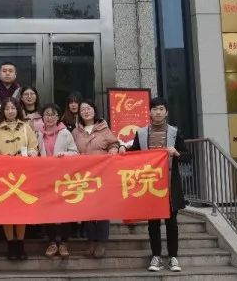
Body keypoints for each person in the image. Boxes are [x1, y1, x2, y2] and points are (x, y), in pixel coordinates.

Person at [121, 96, 189, 273]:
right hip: (150, 184)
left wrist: (176, 153)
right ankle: (156, 256)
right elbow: (133, 154)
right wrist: (122, 149)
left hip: (170, 184)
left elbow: (188, 156)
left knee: (171, 222)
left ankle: (173, 257)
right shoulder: (142, 133)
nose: (158, 112)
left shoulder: (174, 132)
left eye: (161, 109)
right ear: (149, 112)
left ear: (166, 112)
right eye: (154, 109)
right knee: (153, 223)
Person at [0, 97, 38, 260]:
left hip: (23, 174)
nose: (10, 111)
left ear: (18, 110)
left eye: (13, 108)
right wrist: (4, 160)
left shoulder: (25, 127)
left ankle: (21, 244)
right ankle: (10, 244)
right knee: (7, 210)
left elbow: (34, 147)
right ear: (3, 111)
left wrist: (31, 154)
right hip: (4, 175)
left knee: (21, 209)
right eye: (7, 108)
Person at [71, 99, 120, 259]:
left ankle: (101, 242)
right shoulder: (76, 132)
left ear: (94, 110)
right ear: (79, 113)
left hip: (101, 175)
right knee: (87, 210)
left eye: (89, 108)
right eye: (83, 109)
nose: (86, 111)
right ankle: (91, 240)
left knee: (102, 209)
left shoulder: (104, 129)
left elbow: (114, 144)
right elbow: (71, 149)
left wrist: (113, 150)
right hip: (83, 176)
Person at [37, 103, 79, 258]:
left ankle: (64, 243)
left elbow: (75, 153)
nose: (49, 118)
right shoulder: (38, 134)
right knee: (48, 211)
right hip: (45, 177)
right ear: (42, 117)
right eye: (46, 114)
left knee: (64, 210)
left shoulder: (65, 133)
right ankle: (52, 242)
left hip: (63, 178)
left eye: (53, 114)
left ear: (58, 117)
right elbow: (34, 151)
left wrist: (64, 155)